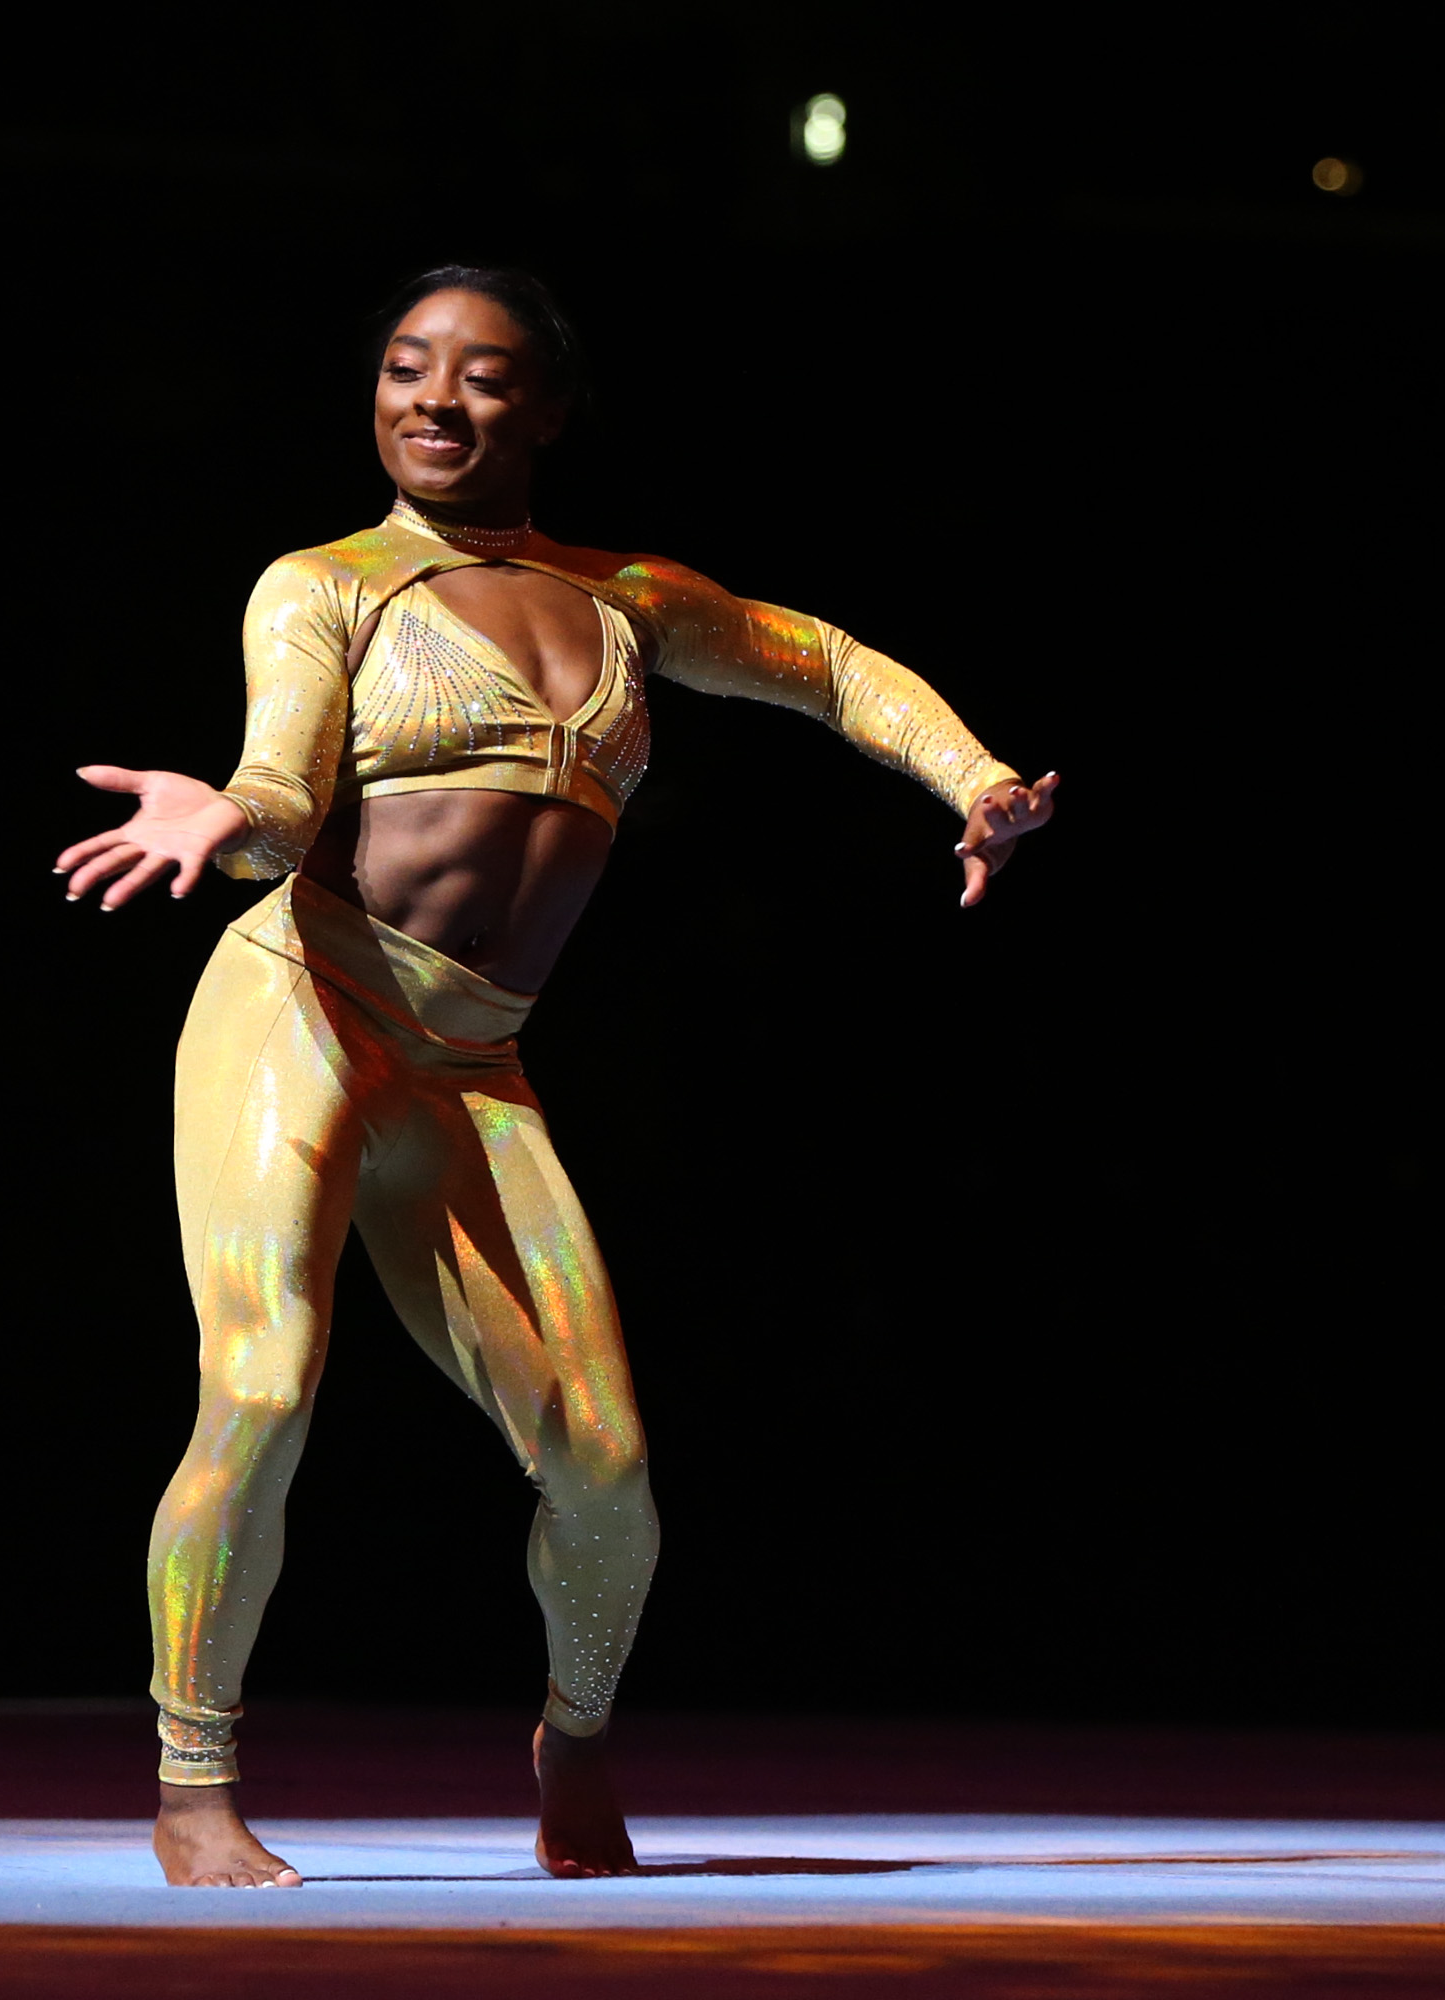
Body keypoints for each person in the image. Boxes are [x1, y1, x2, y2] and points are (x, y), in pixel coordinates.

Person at [55, 266, 1058, 1888]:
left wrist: (978, 778)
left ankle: (572, 1741)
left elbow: (831, 666)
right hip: (303, 1012)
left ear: (551, 410)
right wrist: (217, 827)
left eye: (481, 376)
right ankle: (193, 1777)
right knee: (260, 1385)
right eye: (404, 368)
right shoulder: (320, 587)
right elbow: (278, 789)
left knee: (603, 1468)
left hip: (472, 1067)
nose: (434, 399)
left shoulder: (631, 598)